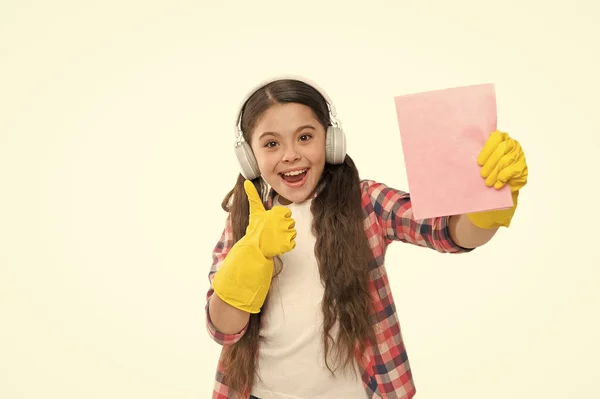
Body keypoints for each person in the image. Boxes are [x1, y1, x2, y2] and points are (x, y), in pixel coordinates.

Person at [204, 76, 528, 399]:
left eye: (305, 137)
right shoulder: (245, 219)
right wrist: (252, 252)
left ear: (331, 141)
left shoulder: (365, 203)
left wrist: (491, 200)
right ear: (249, 156)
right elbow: (224, 329)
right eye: (271, 143)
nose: (290, 155)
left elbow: (450, 233)